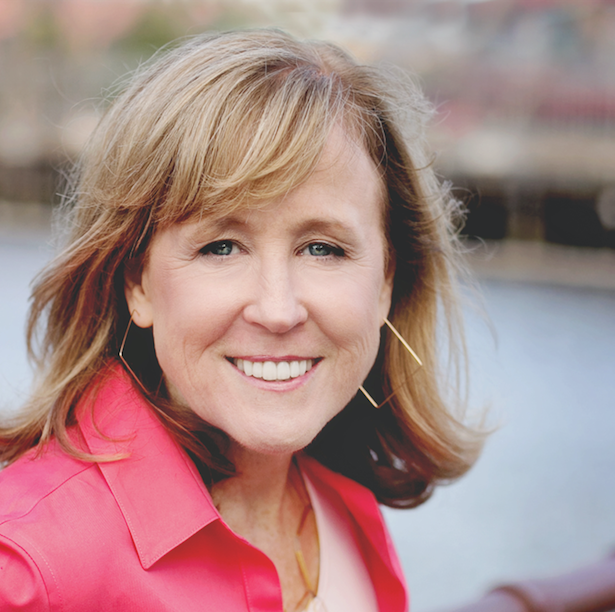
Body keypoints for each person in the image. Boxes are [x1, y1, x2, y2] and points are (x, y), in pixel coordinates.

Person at [0, 29, 483, 611]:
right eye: (222, 247)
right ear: (136, 281)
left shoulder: (344, 508)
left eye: (323, 249)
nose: (277, 310)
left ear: (386, 281)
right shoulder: (28, 567)